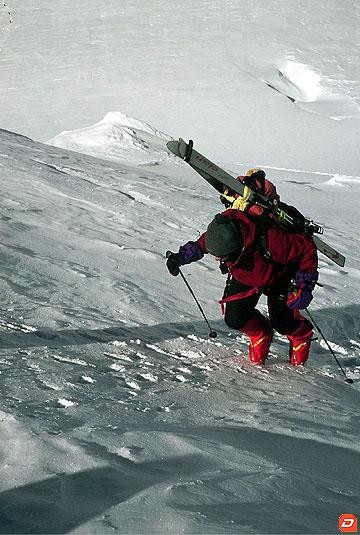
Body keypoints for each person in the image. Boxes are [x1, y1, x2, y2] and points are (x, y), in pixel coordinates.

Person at [166, 168, 319, 366]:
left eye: (223, 257)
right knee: (235, 318)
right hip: (246, 275)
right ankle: (261, 333)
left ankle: (301, 334)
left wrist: (304, 286)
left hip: (278, 277)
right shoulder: (227, 224)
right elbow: (204, 243)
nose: (219, 260)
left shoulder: (273, 241)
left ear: (239, 248)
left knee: (282, 322)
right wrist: (180, 258)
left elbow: (306, 249)